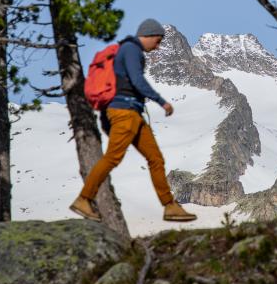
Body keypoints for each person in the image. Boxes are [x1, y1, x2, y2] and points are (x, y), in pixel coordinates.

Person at [70, 18, 197, 222]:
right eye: (158, 41)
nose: (158, 47)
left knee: (156, 159)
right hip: (124, 113)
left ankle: (170, 206)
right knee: (113, 157)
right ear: (150, 35)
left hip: (133, 114)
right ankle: (84, 199)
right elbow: (137, 80)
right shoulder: (131, 49)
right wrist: (161, 102)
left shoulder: (130, 50)